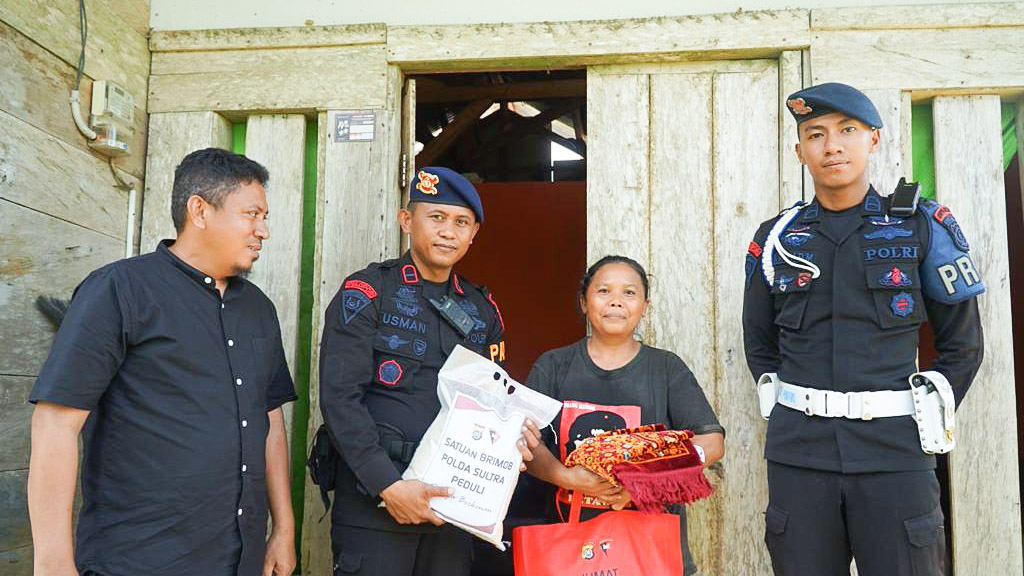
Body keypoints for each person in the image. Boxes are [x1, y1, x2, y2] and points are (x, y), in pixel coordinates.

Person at [743, 83, 985, 575]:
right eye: (816, 134)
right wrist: (795, 414)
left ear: (873, 140)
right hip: (800, 455)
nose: (832, 146)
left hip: (896, 454)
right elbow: (759, 341)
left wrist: (920, 418)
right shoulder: (777, 237)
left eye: (847, 131)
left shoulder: (922, 226)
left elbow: (963, 345)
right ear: (800, 150)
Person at [28, 148, 298, 576]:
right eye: (251, 214)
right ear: (200, 211)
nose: (263, 230)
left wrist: (283, 529)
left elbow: (270, 419)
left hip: (238, 558)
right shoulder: (118, 290)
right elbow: (56, 423)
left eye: (264, 217)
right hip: (141, 558)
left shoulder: (258, 309)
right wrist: (53, 562)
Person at [317, 167, 527, 576]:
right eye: (437, 217)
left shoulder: (482, 311)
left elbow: (494, 402)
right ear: (406, 221)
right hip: (375, 503)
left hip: (453, 506)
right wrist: (388, 486)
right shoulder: (368, 293)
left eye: (461, 222)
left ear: (473, 235)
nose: (448, 231)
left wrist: (513, 440)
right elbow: (339, 399)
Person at [522, 255, 725, 575]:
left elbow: (711, 442)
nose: (616, 301)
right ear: (583, 302)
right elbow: (526, 442)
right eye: (603, 291)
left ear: (645, 305)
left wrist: (647, 483)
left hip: (650, 551)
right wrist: (566, 477)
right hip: (569, 552)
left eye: (629, 293)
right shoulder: (553, 366)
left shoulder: (666, 368)